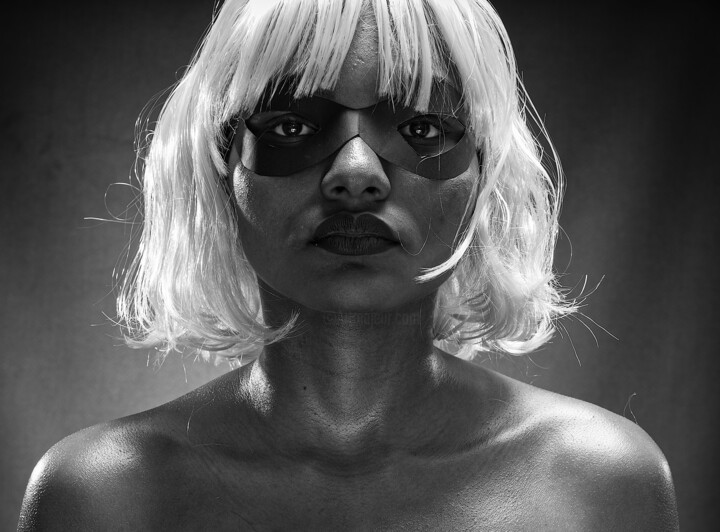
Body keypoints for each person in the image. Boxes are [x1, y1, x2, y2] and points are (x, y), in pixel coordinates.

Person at [19, 0, 678, 529]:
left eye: (422, 129)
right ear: (222, 169)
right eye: (292, 126)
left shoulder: (599, 487)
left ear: (484, 174)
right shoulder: (103, 498)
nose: (356, 173)